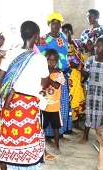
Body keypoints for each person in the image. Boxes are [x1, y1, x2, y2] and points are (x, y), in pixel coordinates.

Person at [0, 20, 50, 170]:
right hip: (28, 109)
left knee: (8, 141)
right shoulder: (40, 59)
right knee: (28, 144)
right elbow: (45, 83)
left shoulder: (10, 53)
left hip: (9, 107)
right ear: (36, 37)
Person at [38, 12, 72, 141]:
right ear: (49, 24)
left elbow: (66, 53)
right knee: (49, 102)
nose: (56, 26)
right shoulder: (44, 38)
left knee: (61, 103)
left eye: (59, 23)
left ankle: (60, 131)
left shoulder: (63, 36)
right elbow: (41, 56)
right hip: (50, 74)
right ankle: (47, 134)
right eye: (54, 23)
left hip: (63, 72)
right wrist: (51, 69)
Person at [78, 37, 103, 144]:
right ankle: (85, 135)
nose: (96, 48)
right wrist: (81, 69)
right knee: (90, 111)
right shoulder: (90, 60)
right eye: (96, 46)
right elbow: (87, 74)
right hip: (92, 90)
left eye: (99, 46)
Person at [62, 23, 87, 131]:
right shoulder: (63, 44)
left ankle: (77, 121)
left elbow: (84, 51)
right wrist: (75, 65)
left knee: (80, 96)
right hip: (71, 75)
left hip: (79, 75)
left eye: (67, 31)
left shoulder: (77, 43)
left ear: (71, 32)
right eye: (63, 32)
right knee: (73, 99)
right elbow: (66, 60)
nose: (66, 34)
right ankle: (73, 123)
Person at [42, 49, 65, 160]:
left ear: (57, 61)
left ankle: (57, 146)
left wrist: (50, 76)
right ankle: (42, 147)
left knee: (56, 128)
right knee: (42, 128)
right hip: (44, 107)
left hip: (55, 107)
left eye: (54, 60)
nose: (51, 63)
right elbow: (42, 85)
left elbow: (56, 86)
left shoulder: (59, 73)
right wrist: (49, 75)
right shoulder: (43, 72)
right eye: (49, 60)